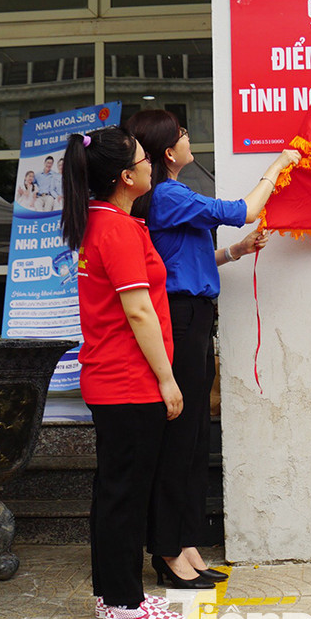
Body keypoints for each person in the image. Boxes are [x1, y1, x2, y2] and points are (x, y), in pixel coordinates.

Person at [128, 110, 300, 588]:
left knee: (195, 437)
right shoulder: (167, 194)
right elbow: (242, 209)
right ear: (169, 152)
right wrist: (279, 165)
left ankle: (186, 545)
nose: (189, 140)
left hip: (196, 318)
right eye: (183, 135)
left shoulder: (170, 196)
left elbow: (189, 257)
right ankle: (167, 553)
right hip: (181, 321)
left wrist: (236, 252)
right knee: (180, 439)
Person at [61, 125, 185, 619]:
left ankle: (113, 597)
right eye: (143, 158)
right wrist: (168, 380)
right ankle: (124, 604)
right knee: (125, 496)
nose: (151, 163)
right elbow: (138, 312)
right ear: (125, 176)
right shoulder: (117, 229)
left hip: (113, 379)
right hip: (130, 382)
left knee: (115, 492)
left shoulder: (99, 222)